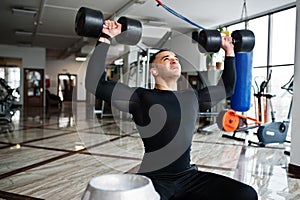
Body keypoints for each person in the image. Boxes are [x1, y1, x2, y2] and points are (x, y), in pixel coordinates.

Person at [85, 20, 258, 200]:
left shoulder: (193, 97)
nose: (173, 60)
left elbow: (227, 87)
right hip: (154, 179)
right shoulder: (140, 98)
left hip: (188, 177)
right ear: (154, 71)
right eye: (166, 59)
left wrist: (229, 51)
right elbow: (96, 83)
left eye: (175, 58)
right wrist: (105, 36)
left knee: (245, 195)